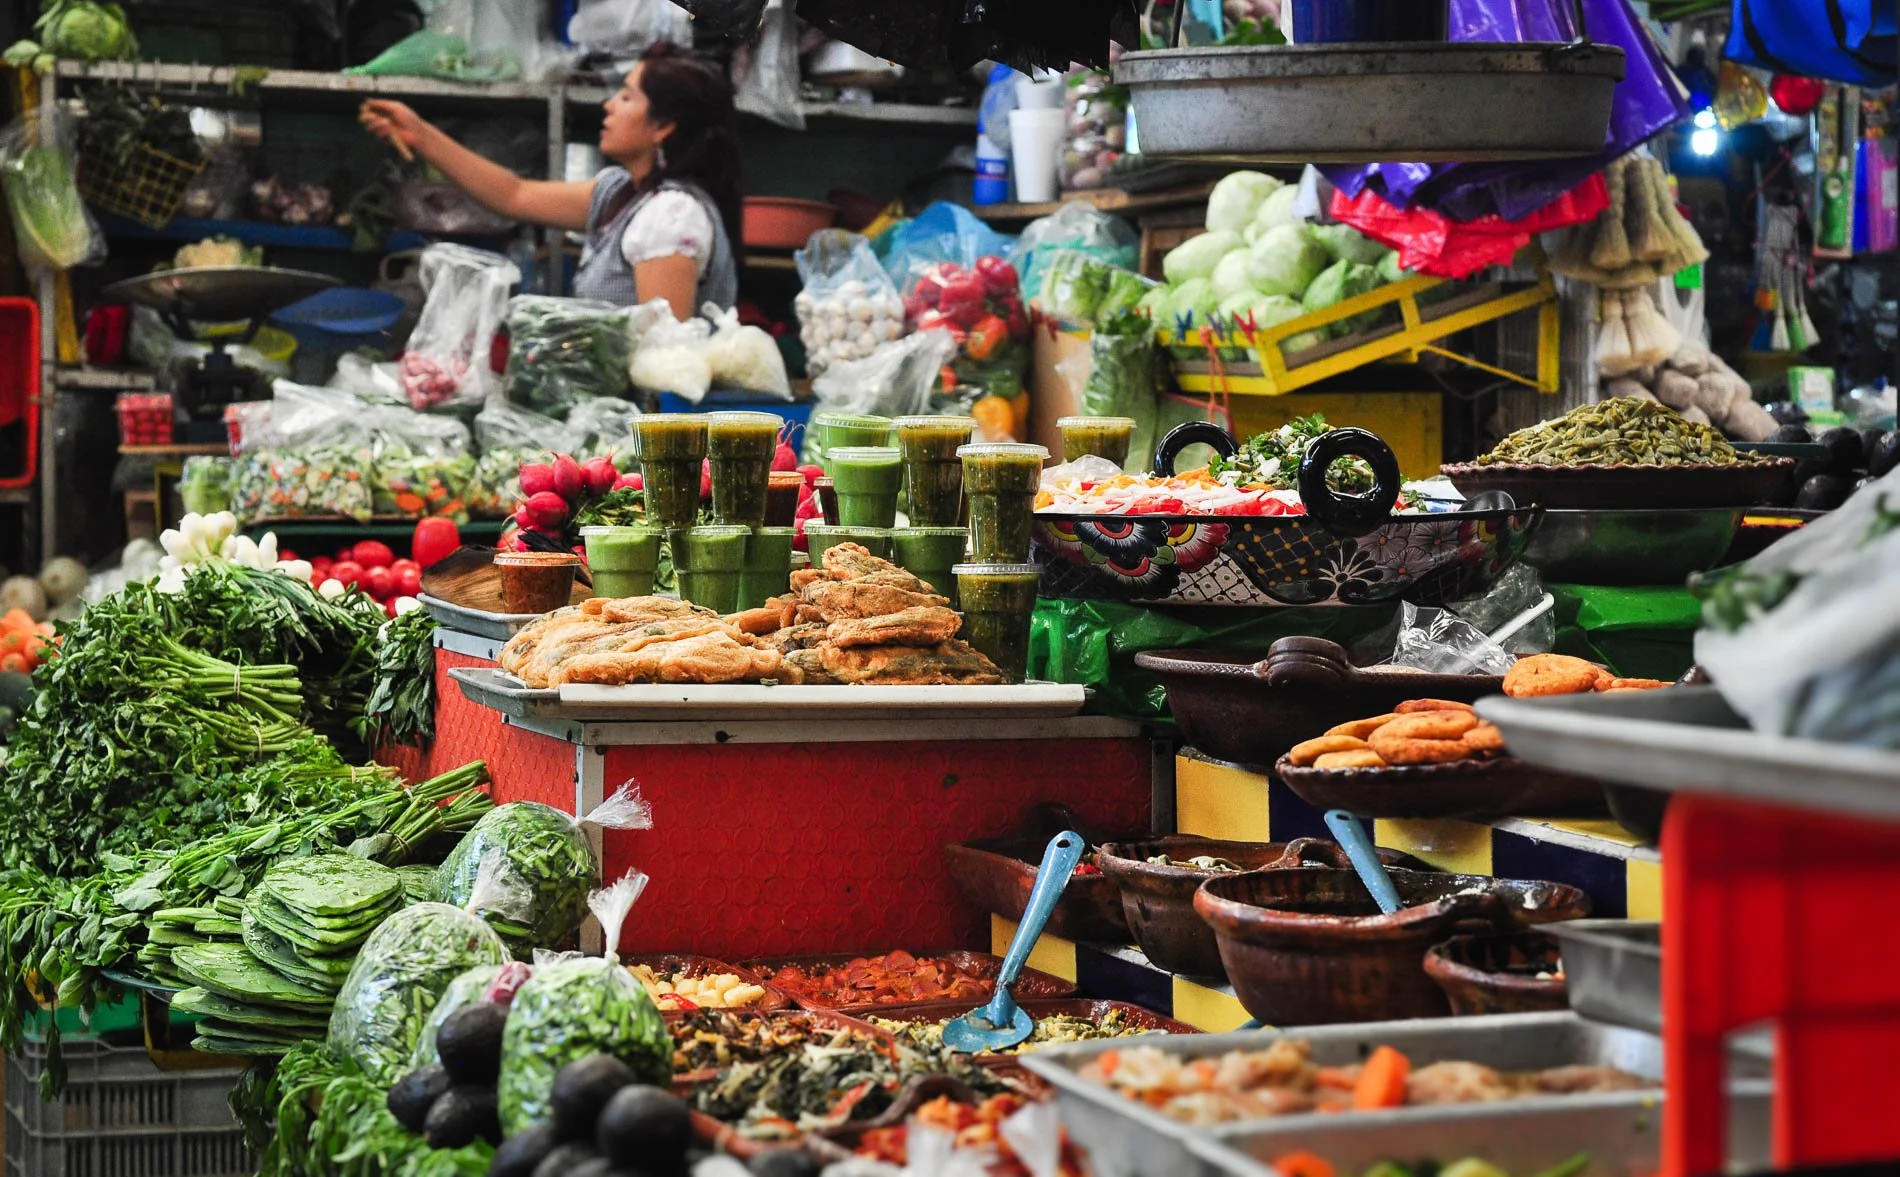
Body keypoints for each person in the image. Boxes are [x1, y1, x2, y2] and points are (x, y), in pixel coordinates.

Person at [360, 43, 740, 317]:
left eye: (627, 98)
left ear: (663, 127)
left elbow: (666, 362)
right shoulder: (620, 193)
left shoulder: (672, 214)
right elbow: (514, 194)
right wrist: (419, 134)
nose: (608, 105)